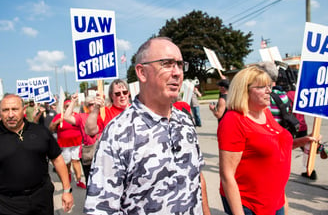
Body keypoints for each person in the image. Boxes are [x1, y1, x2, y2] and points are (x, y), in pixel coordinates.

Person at [84, 37, 211, 214]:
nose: (177, 72)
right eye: (167, 64)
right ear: (142, 73)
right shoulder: (118, 132)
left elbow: (197, 178)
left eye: (180, 65)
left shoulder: (185, 121)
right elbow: (101, 208)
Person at [0, 94, 73, 215]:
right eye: (5, 110)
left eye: (15, 109)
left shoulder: (41, 132)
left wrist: (66, 190)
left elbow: (57, 159)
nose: (10, 114)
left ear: (23, 110)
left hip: (42, 200)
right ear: (0, 112)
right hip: (7, 205)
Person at [218, 66, 293, 215]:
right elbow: (227, 175)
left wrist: (302, 141)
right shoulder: (234, 120)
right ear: (244, 91)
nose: (269, 91)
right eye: (261, 87)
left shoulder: (264, 112)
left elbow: (270, 147)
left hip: (275, 198)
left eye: (268, 86)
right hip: (250, 204)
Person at [63, 94, 103, 185]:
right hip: (89, 154)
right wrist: (73, 101)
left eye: (95, 103)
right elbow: (67, 117)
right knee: (91, 183)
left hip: (105, 154)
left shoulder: (104, 114)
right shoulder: (82, 117)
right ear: (86, 107)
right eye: (91, 104)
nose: (94, 106)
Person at [49, 99, 86, 189]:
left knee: (76, 161)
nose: (69, 107)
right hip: (64, 144)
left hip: (77, 143)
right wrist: (57, 122)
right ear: (64, 107)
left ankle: (79, 180)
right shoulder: (59, 116)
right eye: (67, 106)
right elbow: (51, 128)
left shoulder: (77, 115)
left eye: (70, 105)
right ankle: (68, 174)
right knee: (67, 162)